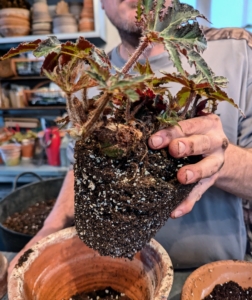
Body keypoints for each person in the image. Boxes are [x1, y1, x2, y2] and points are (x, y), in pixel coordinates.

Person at [8, 0, 252, 273]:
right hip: (110, 267)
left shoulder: (237, 49)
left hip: (215, 271)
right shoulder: (88, 77)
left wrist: (222, 159)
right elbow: (80, 169)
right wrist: (50, 227)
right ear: (99, 4)